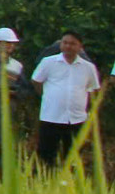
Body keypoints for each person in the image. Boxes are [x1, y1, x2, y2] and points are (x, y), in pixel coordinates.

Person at [31, 31, 101, 167]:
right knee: (46, 156)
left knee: (73, 157)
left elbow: (94, 89)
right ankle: (44, 184)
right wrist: (48, 97)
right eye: (65, 43)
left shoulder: (88, 67)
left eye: (72, 44)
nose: (68, 46)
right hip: (51, 117)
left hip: (76, 119)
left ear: (80, 47)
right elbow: (36, 82)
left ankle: (69, 183)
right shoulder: (48, 62)